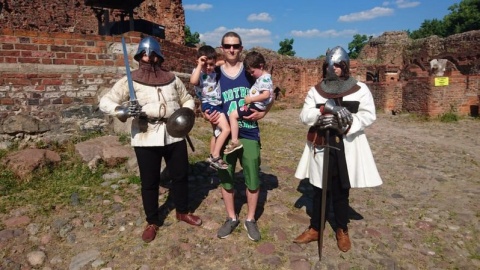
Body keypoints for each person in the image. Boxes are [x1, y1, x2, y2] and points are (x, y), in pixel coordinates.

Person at [99, 36, 202, 243]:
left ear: (159, 55)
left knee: (180, 175)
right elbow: (105, 102)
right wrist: (123, 109)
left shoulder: (172, 78)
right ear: (139, 56)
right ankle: (152, 221)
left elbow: (187, 99)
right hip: (146, 134)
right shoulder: (130, 80)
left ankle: (182, 211)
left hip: (174, 133)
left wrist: (186, 112)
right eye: (144, 54)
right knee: (150, 182)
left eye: (152, 54)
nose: (148, 57)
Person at [293, 46, 382, 252]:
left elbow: (369, 115)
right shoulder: (316, 90)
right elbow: (304, 115)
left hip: (346, 145)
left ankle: (342, 229)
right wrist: (321, 115)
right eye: (330, 65)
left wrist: (348, 123)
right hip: (321, 144)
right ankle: (315, 228)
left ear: (346, 66)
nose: (335, 69)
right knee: (318, 188)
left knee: (342, 188)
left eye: (339, 65)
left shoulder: (360, 89)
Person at [205, 32, 272, 241]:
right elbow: (203, 95)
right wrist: (205, 112)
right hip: (225, 136)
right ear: (222, 48)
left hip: (249, 131)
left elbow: (270, 92)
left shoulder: (250, 70)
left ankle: (250, 219)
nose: (231, 50)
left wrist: (264, 112)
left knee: (252, 178)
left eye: (235, 46)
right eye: (227, 46)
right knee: (226, 177)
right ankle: (231, 217)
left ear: (241, 48)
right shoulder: (215, 72)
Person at [224, 51, 273, 155]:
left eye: (252, 71)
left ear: (261, 66)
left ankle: (234, 141)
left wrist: (251, 100)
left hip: (254, 106)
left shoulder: (265, 79)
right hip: (255, 105)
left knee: (233, 116)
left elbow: (266, 95)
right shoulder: (263, 78)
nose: (251, 75)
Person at [190, 45, 229, 170]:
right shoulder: (199, 72)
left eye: (211, 64)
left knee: (216, 132)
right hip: (210, 105)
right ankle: (216, 156)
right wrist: (200, 65)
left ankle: (212, 156)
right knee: (226, 129)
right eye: (205, 64)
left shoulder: (213, 70)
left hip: (217, 104)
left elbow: (222, 62)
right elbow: (193, 81)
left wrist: (217, 62)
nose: (208, 67)